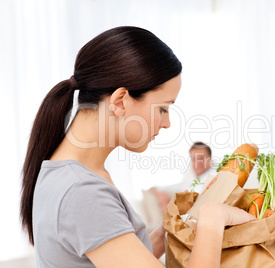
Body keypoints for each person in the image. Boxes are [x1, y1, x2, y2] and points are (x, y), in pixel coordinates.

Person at [20, 26, 255, 268]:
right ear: (120, 101)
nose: (167, 123)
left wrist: (174, 225)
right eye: (163, 108)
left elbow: (123, 254)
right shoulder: (82, 192)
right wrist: (212, 219)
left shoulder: (72, 172)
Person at [151, 142, 215, 214]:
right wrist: (162, 196)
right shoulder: (190, 180)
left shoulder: (216, 177)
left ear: (210, 160)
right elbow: (157, 188)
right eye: (194, 159)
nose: (197, 163)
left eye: (201, 158)